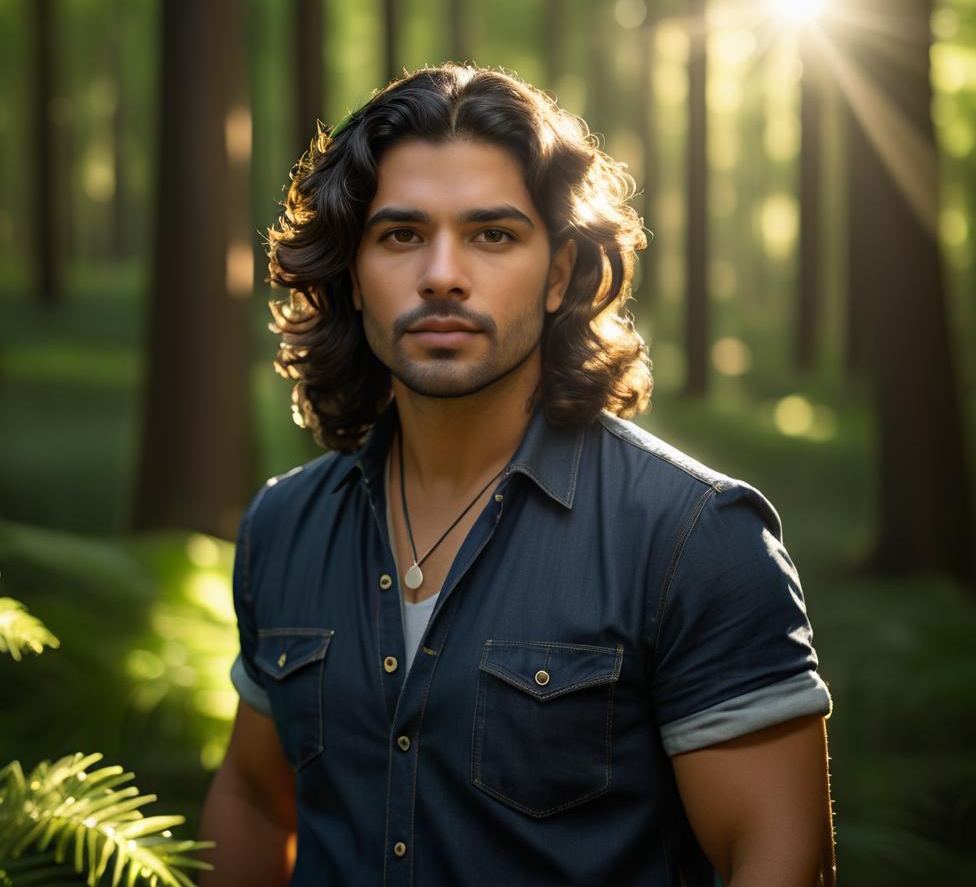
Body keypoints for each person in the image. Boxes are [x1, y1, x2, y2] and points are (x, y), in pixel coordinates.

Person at [198, 63, 835, 886]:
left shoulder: (694, 538)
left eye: (492, 234)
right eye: (400, 235)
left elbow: (780, 859)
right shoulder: (285, 527)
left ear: (561, 273)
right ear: (352, 276)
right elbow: (253, 797)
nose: (442, 274)